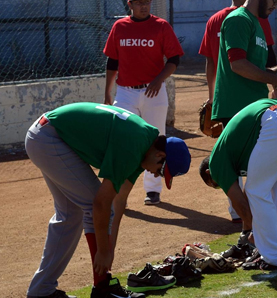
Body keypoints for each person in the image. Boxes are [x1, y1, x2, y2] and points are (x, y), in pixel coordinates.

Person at [25, 102, 191, 298]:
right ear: (160, 155)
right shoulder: (133, 146)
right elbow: (100, 204)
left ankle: (41, 291)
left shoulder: (145, 143)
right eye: (161, 171)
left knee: (71, 214)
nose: (156, 175)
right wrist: (103, 252)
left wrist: (109, 249)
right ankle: (102, 288)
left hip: (45, 134)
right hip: (49, 137)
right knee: (90, 204)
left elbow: (118, 201)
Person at [199, 98, 277, 270]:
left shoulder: (216, 163)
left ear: (210, 173)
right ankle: (276, 246)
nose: (222, 186)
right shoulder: (235, 151)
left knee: (256, 191)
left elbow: (241, 204)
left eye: (216, 184)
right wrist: (258, 232)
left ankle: (273, 257)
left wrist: (248, 232)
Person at [104, 0, 185, 206]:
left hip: (154, 92)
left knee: (156, 139)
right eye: (139, 2)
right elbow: (112, 61)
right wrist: (107, 94)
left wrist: (159, 80)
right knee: (124, 139)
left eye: (147, 1)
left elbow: (174, 59)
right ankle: (119, 189)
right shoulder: (120, 27)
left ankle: (152, 189)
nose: (144, 5)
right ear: (129, 5)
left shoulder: (160, 26)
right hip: (126, 92)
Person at [199, 0, 277, 106]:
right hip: (247, 95)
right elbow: (269, 58)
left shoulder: (213, 20)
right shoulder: (255, 19)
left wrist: (212, 96)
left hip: (223, 97)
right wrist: (276, 88)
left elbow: (210, 62)